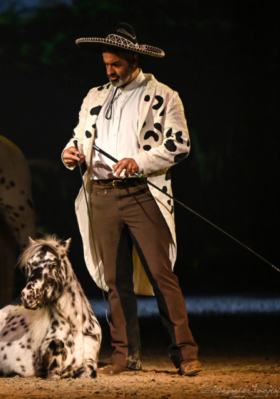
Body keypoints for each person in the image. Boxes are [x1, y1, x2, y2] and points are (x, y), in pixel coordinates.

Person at [61, 22, 202, 376]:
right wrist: (70, 152)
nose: (109, 71)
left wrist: (138, 162)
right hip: (103, 196)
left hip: (141, 195)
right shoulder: (94, 96)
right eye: (106, 64)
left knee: (160, 273)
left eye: (116, 65)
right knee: (114, 279)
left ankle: (185, 353)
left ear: (134, 58)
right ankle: (124, 355)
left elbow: (179, 144)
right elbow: (79, 136)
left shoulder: (163, 94)